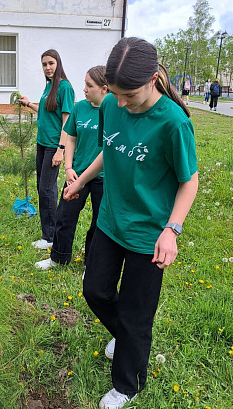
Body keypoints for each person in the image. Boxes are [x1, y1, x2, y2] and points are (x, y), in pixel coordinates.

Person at [64, 37, 198, 409]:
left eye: (129, 95)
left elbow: (189, 181)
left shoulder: (173, 123)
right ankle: (125, 337)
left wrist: (172, 230)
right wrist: (81, 181)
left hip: (149, 235)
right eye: (116, 94)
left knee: (137, 316)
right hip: (110, 221)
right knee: (94, 291)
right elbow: (110, 148)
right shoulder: (111, 103)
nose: (121, 103)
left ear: (154, 79)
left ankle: (127, 384)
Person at [35, 66, 108, 270]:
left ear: (104, 88)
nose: (84, 89)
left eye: (89, 85)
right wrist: (68, 168)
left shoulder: (112, 111)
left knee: (99, 223)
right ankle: (58, 258)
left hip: (104, 176)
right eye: (84, 83)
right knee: (65, 215)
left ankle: (91, 266)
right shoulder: (80, 108)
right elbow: (71, 138)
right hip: (77, 174)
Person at [19, 49, 75, 250]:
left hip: (53, 145)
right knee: (42, 188)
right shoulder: (49, 86)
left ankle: (50, 237)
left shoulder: (64, 87)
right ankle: (47, 233)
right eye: (44, 64)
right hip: (42, 143)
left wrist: (61, 149)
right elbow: (46, 110)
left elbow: (67, 121)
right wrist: (28, 104)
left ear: (58, 63)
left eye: (51, 63)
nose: (48, 68)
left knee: (47, 189)